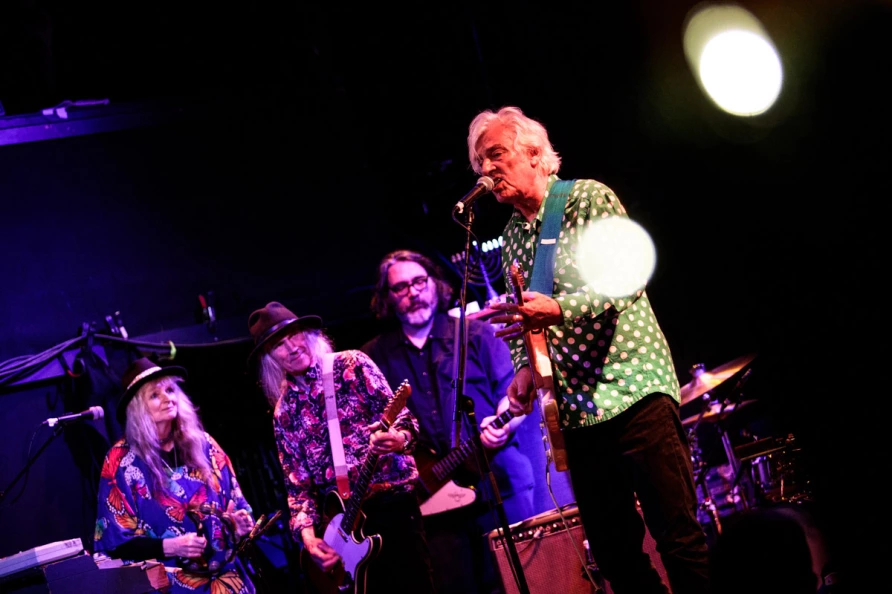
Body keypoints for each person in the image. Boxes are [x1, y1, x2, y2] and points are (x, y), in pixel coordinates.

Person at [467, 105, 711, 594]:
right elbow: (526, 314)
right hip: (577, 416)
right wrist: (522, 372)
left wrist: (558, 309)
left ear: (534, 153)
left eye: (495, 155)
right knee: (614, 556)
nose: (487, 171)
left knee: (678, 539)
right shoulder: (511, 236)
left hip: (634, 392)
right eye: (479, 165)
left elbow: (627, 279)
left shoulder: (586, 198)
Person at [360, 248, 536, 594]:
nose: (413, 292)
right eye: (400, 287)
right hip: (432, 503)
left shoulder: (477, 334)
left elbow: (515, 396)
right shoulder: (373, 357)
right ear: (387, 298)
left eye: (419, 282)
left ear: (434, 284)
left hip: (500, 481)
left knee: (522, 583)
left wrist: (503, 427)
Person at [247, 301, 435, 594]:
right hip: (341, 527)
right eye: (279, 345)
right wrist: (310, 540)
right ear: (269, 358)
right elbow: (298, 487)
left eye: (294, 335)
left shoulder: (352, 365)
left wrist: (398, 439)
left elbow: (405, 421)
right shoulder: (284, 411)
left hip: (391, 508)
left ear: (307, 333)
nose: (292, 347)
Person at [94, 356, 257, 594]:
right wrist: (170, 546)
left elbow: (238, 505)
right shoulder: (120, 461)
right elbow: (114, 543)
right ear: (138, 409)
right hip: (170, 586)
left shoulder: (205, 445)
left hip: (226, 581)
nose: (168, 398)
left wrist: (239, 524)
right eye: (154, 395)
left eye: (170, 390)